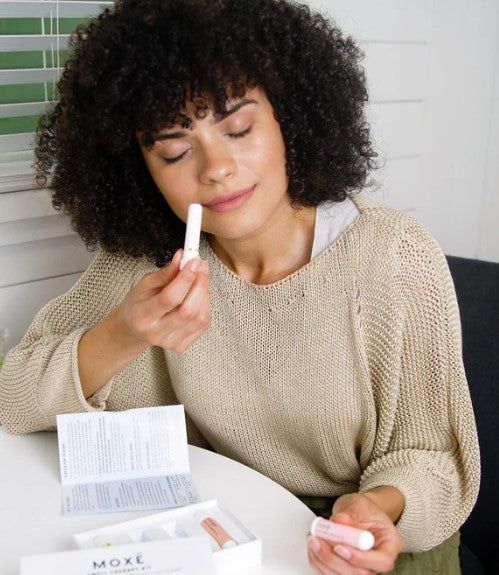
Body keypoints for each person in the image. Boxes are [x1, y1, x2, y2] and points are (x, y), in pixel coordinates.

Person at [0, 0, 479, 573]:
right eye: (175, 151)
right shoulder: (147, 265)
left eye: (238, 128)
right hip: (227, 529)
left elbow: (434, 458)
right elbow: (11, 398)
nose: (215, 168)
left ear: (289, 118)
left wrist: (376, 507)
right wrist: (123, 334)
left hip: (368, 539)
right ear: (139, 168)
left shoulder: (393, 258)